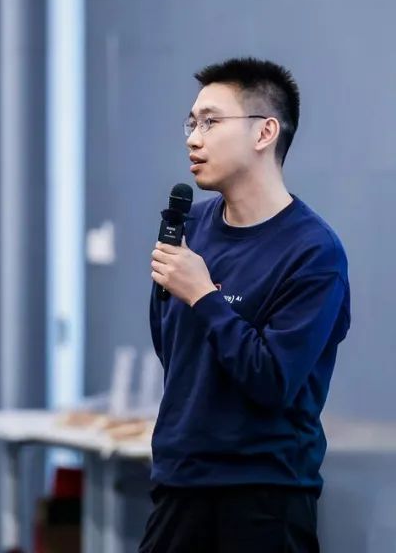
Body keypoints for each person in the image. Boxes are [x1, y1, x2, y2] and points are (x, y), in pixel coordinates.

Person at [141, 57, 351, 552]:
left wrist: (205, 295)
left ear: (264, 132)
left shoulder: (313, 252)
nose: (193, 139)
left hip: (264, 497)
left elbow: (272, 380)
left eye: (211, 122)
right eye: (191, 124)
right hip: (179, 484)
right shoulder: (191, 228)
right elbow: (173, 350)